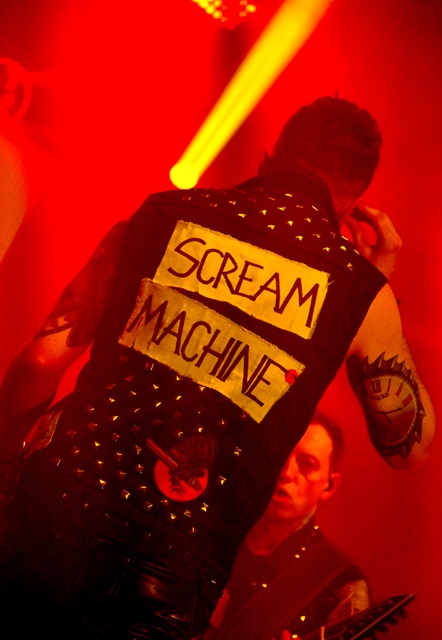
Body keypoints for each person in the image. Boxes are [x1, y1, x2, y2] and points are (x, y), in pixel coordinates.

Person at [0, 96, 435, 640]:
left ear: (267, 159)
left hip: (51, 516)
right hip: (170, 575)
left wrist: (7, 462)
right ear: (353, 206)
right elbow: (409, 448)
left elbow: (40, 360)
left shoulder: (159, 216)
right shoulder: (357, 288)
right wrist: (376, 290)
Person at [204, 413, 371, 640]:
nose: (286, 472)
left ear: (329, 485)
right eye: (281, 454)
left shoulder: (343, 585)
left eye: (307, 464)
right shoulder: (209, 535)